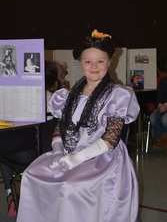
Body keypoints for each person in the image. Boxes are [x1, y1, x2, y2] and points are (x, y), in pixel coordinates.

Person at [17, 29, 140, 222]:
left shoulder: (117, 94)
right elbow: (60, 127)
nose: (94, 66)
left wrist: (78, 158)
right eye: (87, 61)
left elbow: (110, 139)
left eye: (100, 61)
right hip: (68, 152)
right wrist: (58, 151)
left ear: (109, 62)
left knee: (70, 186)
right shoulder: (69, 94)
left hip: (102, 158)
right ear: (80, 63)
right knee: (32, 175)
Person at [0, 60, 59, 217]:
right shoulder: (57, 100)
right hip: (52, 155)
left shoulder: (22, 101)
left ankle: (9, 192)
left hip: (29, 157)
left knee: (3, 150)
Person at [150, 56, 167, 145]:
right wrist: (160, 104)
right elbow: (159, 95)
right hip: (162, 107)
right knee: (153, 118)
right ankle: (162, 140)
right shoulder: (163, 81)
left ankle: (164, 141)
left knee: (165, 119)